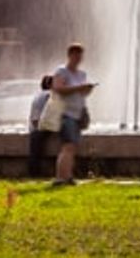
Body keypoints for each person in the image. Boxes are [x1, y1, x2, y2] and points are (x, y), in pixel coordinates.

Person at [50, 42, 96, 187]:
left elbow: (80, 93)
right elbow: (58, 88)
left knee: (73, 147)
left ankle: (68, 176)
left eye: (80, 56)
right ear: (69, 55)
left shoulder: (82, 74)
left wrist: (87, 90)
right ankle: (60, 178)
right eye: (75, 55)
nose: (78, 59)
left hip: (77, 114)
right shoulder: (61, 71)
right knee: (67, 146)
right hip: (66, 113)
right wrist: (79, 88)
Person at [27, 75, 55, 177]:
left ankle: (33, 173)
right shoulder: (49, 95)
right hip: (39, 127)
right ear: (50, 85)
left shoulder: (39, 95)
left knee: (35, 153)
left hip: (34, 127)